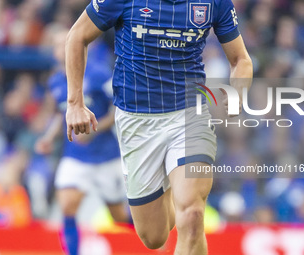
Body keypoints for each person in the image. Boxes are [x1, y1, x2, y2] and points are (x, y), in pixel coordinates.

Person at [65, 0, 253, 254]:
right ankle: (169, 180)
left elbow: (241, 59)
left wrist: (238, 92)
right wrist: (75, 103)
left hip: (189, 114)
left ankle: (179, 181)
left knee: (193, 214)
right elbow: (77, 36)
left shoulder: (213, 2)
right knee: (154, 236)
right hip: (137, 121)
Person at [35, 30, 129, 255]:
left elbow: (119, 109)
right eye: (55, 45)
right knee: (67, 206)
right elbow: (61, 113)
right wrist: (48, 138)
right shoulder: (56, 81)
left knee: (119, 217)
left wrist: (93, 130)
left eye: (62, 44)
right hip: (75, 154)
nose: (58, 49)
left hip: (106, 155)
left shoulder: (98, 73)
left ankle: (157, 240)